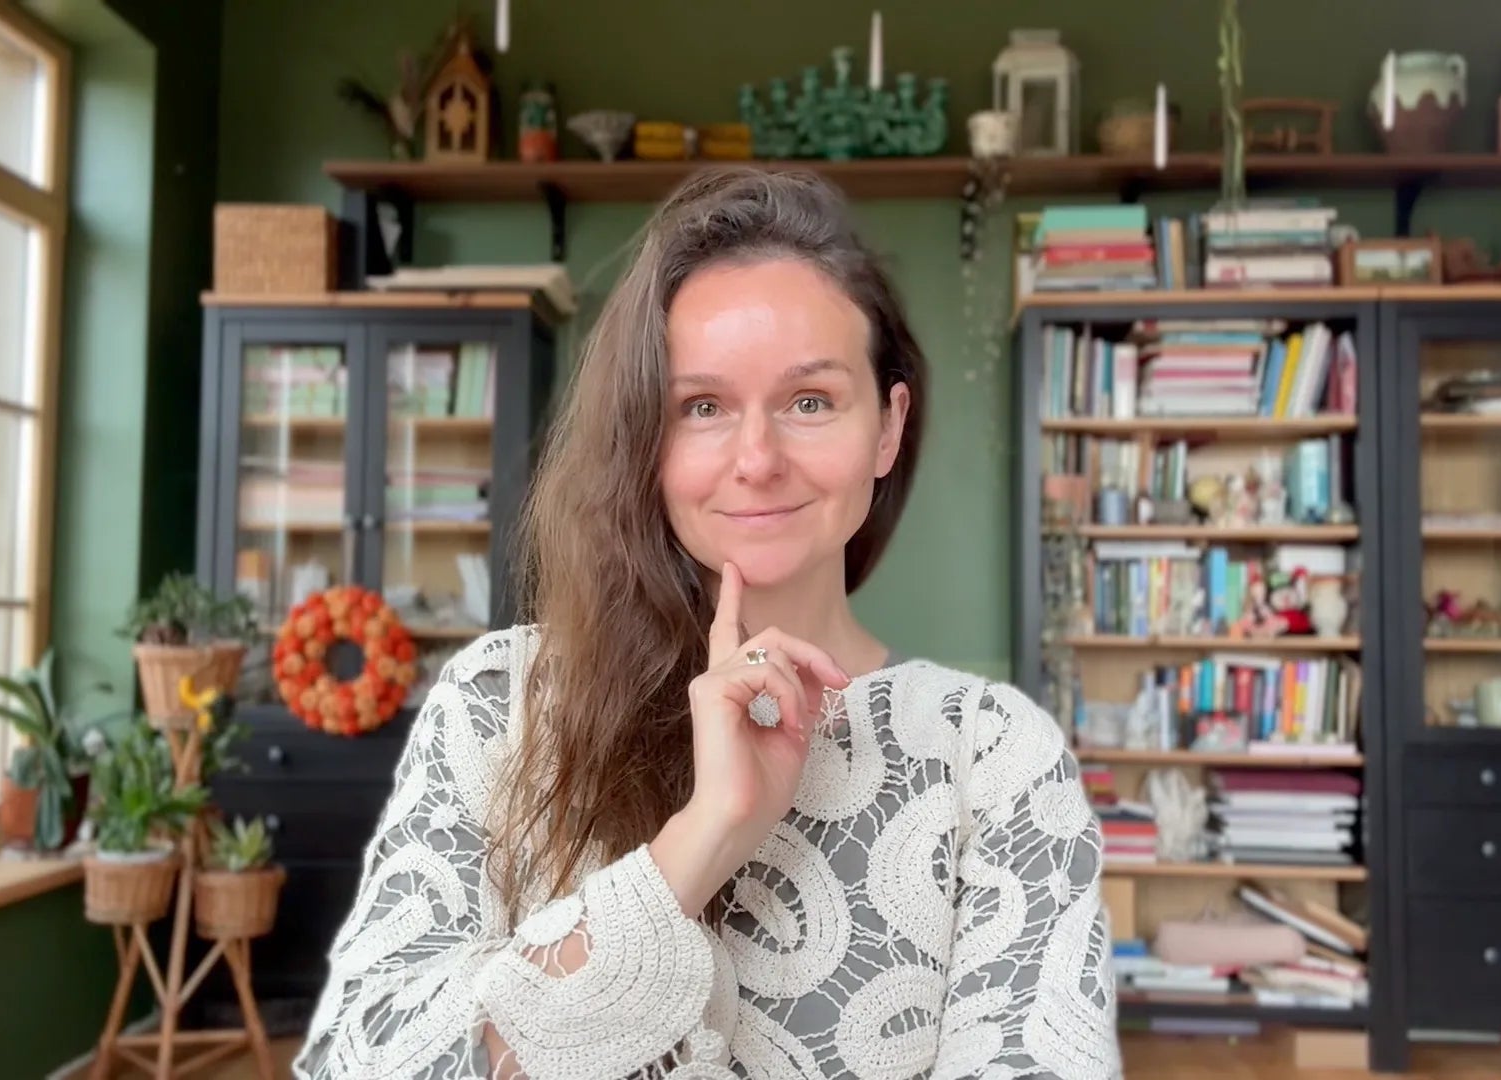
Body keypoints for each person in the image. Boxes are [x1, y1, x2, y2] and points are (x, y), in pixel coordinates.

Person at [294, 168, 1119, 1079]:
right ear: (645, 440)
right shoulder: (501, 706)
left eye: (810, 401)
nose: (757, 459)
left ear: (887, 429)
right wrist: (704, 835)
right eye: (702, 408)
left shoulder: (992, 760)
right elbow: (367, 1064)